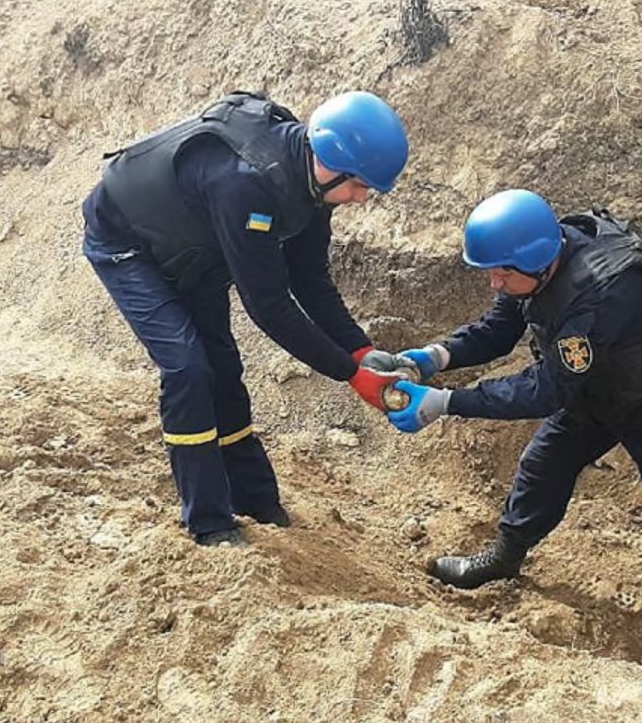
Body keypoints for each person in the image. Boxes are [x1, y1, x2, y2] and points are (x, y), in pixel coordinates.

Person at [385, 189, 642, 670]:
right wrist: (436, 356)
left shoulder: (604, 291)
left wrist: (447, 402)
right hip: (595, 393)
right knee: (541, 467)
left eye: (501, 273)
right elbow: (499, 326)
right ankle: (506, 557)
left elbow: (545, 389)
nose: (494, 283)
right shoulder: (539, 261)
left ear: (534, 262)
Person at [82, 90, 413, 548]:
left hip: (195, 245)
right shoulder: (246, 185)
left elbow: (309, 277)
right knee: (188, 368)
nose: (360, 198)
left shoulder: (310, 183)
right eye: (359, 186)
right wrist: (350, 374)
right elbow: (269, 306)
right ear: (331, 162)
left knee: (222, 365)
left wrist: (360, 350)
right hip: (126, 242)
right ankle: (209, 521)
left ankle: (254, 498)